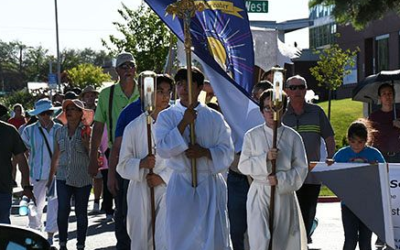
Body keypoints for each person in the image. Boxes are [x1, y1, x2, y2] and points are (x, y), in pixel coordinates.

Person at [155, 67, 234, 250]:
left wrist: (205, 152)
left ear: (199, 88)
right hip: (181, 184)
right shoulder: (167, 116)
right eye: (180, 84)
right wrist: (183, 123)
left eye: (188, 83)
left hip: (209, 184)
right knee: (180, 237)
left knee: (212, 237)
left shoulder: (215, 118)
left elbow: (227, 151)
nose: (183, 88)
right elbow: (163, 149)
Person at [238, 89, 308, 250]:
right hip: (259, 191)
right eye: (267, 108)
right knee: (260, 238)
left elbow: (301, 168)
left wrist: (281, 179)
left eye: (276, 107)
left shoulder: (293, 137)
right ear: (261, 111)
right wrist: (265, 158)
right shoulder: (252, 136)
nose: (271, 112)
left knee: (281, 240)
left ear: (283, 109)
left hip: (283, 194)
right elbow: (243, 165)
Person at [88, 52, 140, 249]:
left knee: (143, 203)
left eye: (131, 66)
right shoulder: (106, 95)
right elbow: (98, 127)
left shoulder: (144, 92)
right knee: (122, 206)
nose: (128, 70)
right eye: (124, 66)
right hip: (116, 155)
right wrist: (94, 157)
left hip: (142, 153)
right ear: (117, 70)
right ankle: (124, 245)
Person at [117, 74, 174, 249]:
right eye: (160, 91)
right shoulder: (133, 127)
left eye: (168, 92)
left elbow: (183, 161)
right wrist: (141, 164)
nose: (165, 96)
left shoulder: (176, 125)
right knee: (142, 240)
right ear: (150, 93)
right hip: (141, 190)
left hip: (168, 189)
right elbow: (122, 166)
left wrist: (162, 177)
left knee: (165, 239)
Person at [282, 75, 335, 244]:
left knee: (308, 213)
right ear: (286, 91)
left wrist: (330, 157)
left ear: (305, 90)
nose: (297, 90)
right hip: (288, 174)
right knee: (289, 214)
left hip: (312, 173)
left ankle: (303, 242)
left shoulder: (317, 112)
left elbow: (329, 137)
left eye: (301, 87)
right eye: (293, 87)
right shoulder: (280, 114)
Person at [228, 79, 272, 250]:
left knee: (263, 229)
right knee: (237, 228)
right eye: (257, 98)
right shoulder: (236, 117)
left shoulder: (275, 125)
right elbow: (230, 148)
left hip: (265, 181)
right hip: (238, 179)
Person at [48, 99, 94, 250]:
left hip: (82, 177)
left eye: (74, 109)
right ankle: (62, 243)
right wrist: (50, 179)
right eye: (67, 109)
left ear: (81, 113)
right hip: (63, 176)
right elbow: (56, 155)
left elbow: (94, 156)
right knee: (62, 211)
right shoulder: (59, 131)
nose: (69, 111)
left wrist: (87, 144)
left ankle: (80, 244)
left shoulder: (87, 130)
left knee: (81, 212)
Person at [333, 119, 385, 250]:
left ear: (366, 140)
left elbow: (385, 172)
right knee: (350, 240)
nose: (356, 145)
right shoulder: (342, 154)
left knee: (365, 242)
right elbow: (330, 172)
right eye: (352, 141)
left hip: (369, 204)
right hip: (348, 204)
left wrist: (377, 168)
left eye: (360, 142)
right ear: (348, 139)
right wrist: (329, 164)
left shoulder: (374, 154)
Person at [21, 98, 61, 245]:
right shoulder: (28, 130)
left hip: (56, 175)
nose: (46, 116)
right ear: (37, 115)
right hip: (36, 174)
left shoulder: (59, 129)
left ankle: (50, 236)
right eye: (43, 113)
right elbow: (23, 150)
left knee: (54, 206)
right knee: (34, 206)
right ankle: (35, 233)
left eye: (49, 112)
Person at [368, 83, 399, 249]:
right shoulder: (374, 117)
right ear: (379, 98)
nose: (387, 96)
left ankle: (395, 233)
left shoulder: (399, 114)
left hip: (398, 160)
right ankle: (381, 235)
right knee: (381, 199)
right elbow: (369, 140)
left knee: (396, 199)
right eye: (384, 94)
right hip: (381, 160)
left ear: (393, 96)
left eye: (390, 93)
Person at [0, 104, 34, 224]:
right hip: (3, 186)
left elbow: (22, 159)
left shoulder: (9, 131)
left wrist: (27, 185)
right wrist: (27, 186)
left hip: (3, 186)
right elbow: (22, 159)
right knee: (3, 227)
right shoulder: (9, 131)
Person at [80, 85, 104, 214]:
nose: (90, 98)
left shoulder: (100, 109)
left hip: (97, 145)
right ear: (83, 97)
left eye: (92, 95)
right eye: (87, 95)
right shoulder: (80, 112)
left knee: (98, 176)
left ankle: (96, 202)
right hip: (81, 145)